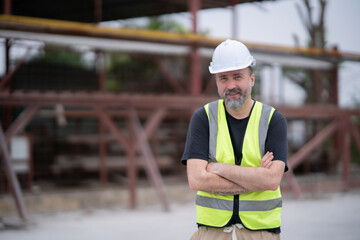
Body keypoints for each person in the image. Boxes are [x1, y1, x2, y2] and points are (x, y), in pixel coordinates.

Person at [181, 39, 288, 240]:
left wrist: (220, 168)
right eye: (223, 78)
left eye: (237, 76)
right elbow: (196, 180)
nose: (231, 85)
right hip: (211, 233)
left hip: (261, 233)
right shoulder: (203, 117)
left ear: (252, 79)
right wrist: (256, 177)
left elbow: (272, 180)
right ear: (216, 82)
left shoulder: (273, 120)